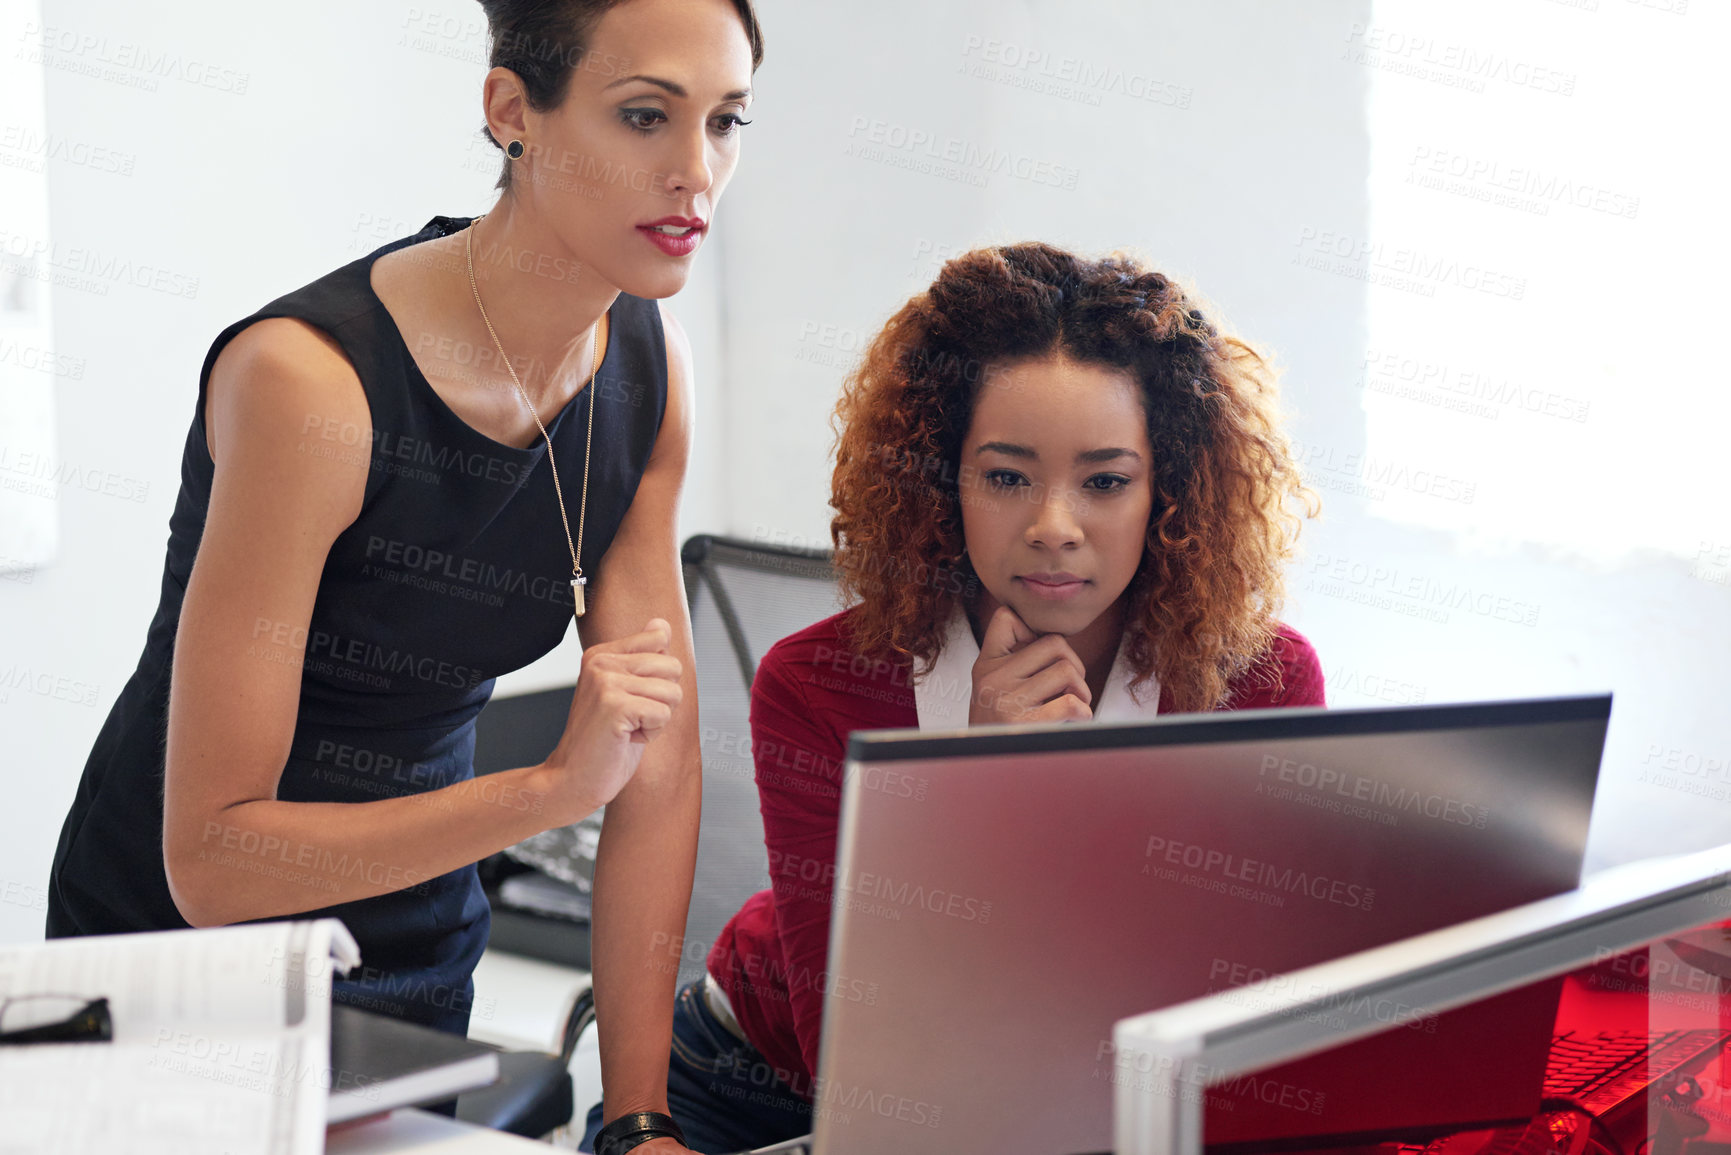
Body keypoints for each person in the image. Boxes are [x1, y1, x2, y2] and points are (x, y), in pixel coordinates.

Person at [45, 1, 762, 1149]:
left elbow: (656, 765)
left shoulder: (646, 368)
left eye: (726, 121)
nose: (697, 173)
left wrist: (637, 1119)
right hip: (185, 967)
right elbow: (214, 860)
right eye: (645, 117)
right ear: (510, 112)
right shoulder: (309, 385)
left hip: (418, 941)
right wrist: (543, 794)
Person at [626, 242, 1324, 1153]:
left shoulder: (1259, 683)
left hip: (1083, 1099)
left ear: (1168, 491)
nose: (1052, 528)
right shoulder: (817, 683)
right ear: (940, 477)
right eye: (1005, 476)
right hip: (758, 1086)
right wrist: (975, 796)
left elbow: (1253, 1005)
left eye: (1105, 481)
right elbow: (856, 1046)